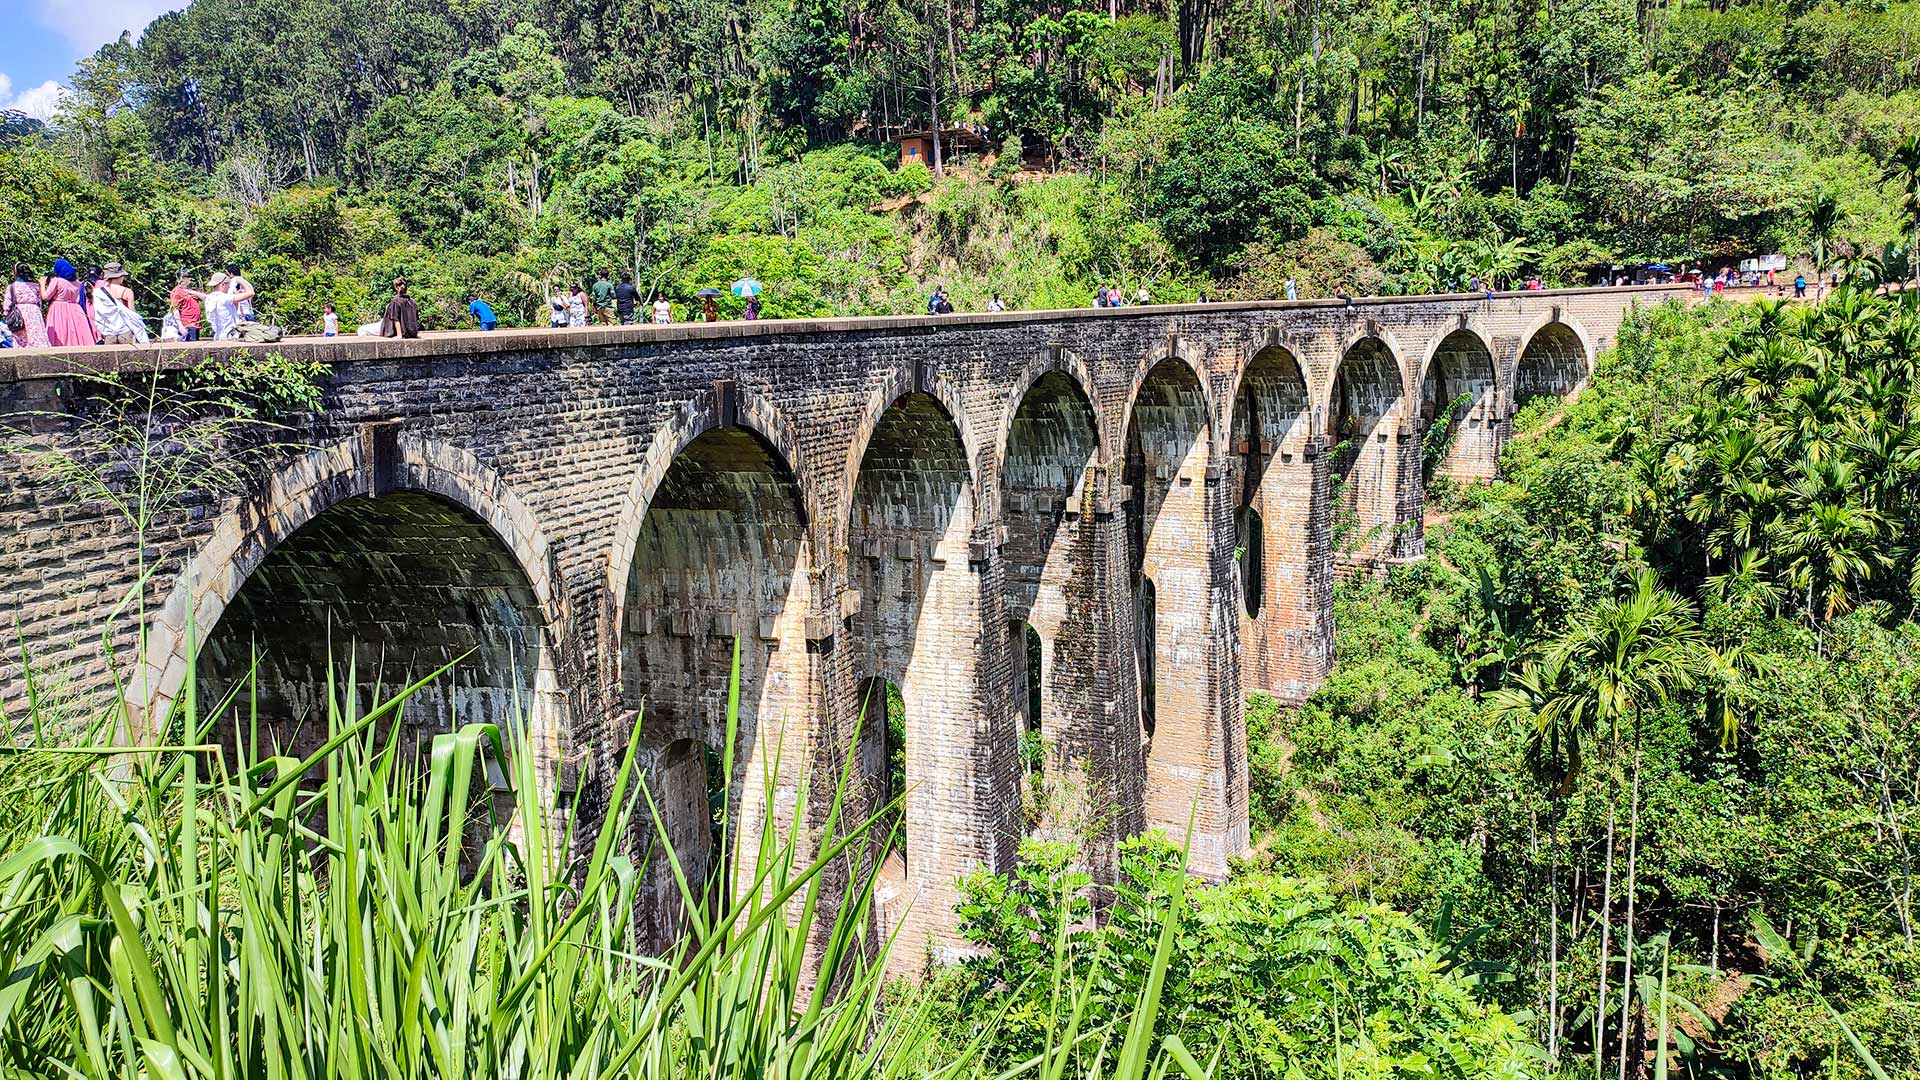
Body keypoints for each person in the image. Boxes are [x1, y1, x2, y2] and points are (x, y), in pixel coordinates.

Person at [41, 259, 95, 346]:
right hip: (75, 309)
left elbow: (46, 297)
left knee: (61, 332)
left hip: (59, 309)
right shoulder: (77, 282)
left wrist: (42, 284)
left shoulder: (57, 281)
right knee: (76, 332)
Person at [91, 263, 147, 345]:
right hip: (126, 330)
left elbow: (99, 314)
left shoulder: (99, 292)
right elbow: (133, 314)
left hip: (109, 332)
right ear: (119, 276)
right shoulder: (127, 292)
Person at [4, 264, 48, 348]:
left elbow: (7, 303)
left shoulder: (12, 286)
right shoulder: (35, 286)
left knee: (21, 337)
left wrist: (7, 314)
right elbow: (39, 301)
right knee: (36, 333)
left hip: (20, 312)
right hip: (34, 312)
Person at [203, 272, 241, 340]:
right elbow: (250, 293)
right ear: (223, 285)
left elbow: (234, 309)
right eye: (228, 284)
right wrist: (241, 280)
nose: (229, 286)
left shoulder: (210, 298)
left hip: (218, 335)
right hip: (228, 335)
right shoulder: (224, 297)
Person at [168, 270, 203, 342]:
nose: (187, 279)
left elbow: (205, 298)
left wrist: (192, 292)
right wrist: (180, 326)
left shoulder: (191, 290)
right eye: (184, 277)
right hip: (187, 324)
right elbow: (175, 309)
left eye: (188, 277)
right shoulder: (176, 291)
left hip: (196, 324)